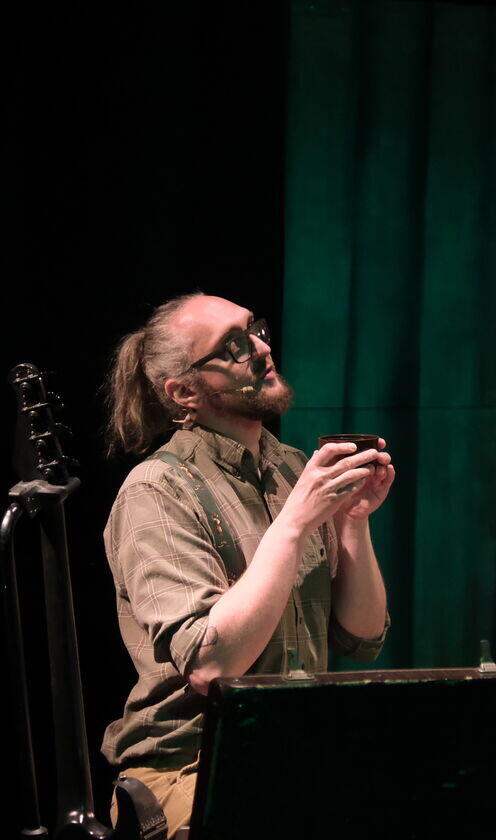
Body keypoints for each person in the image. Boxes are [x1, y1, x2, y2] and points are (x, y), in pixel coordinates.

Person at [101, 293, 394, 836]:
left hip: (294, 753)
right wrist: (294, 524)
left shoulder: (291, 469)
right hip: (191, 762)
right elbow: (213, 667)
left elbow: (362, 637)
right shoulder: (157, 490)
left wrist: (353, 521)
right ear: (184, 392)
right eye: (233, 345)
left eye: (255, 330)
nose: (260, 348)